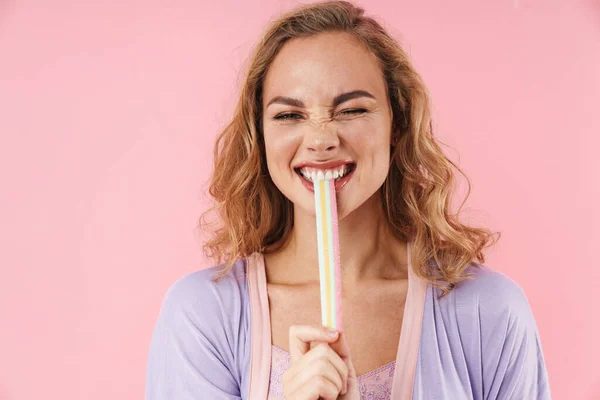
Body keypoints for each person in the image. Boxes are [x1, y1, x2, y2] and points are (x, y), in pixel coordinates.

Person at [145, 1, 551, 399]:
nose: (321, 140)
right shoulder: (201, 316)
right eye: (289, 115)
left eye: (352, 110)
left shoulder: (488, 310)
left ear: (398, 123)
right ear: (262, 135)